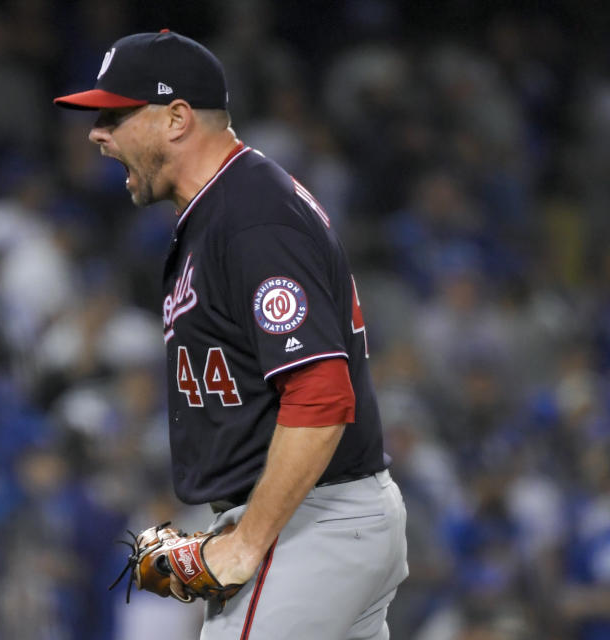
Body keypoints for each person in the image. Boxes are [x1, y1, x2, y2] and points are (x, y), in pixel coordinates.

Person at [54, 30, 408, 638]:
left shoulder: (251, 214)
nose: (97, 133)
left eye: (113, 115)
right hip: (319, 520)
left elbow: (322, 399)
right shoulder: (221, 211)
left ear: (176, 119)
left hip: (310, 526)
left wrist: (246, 541)